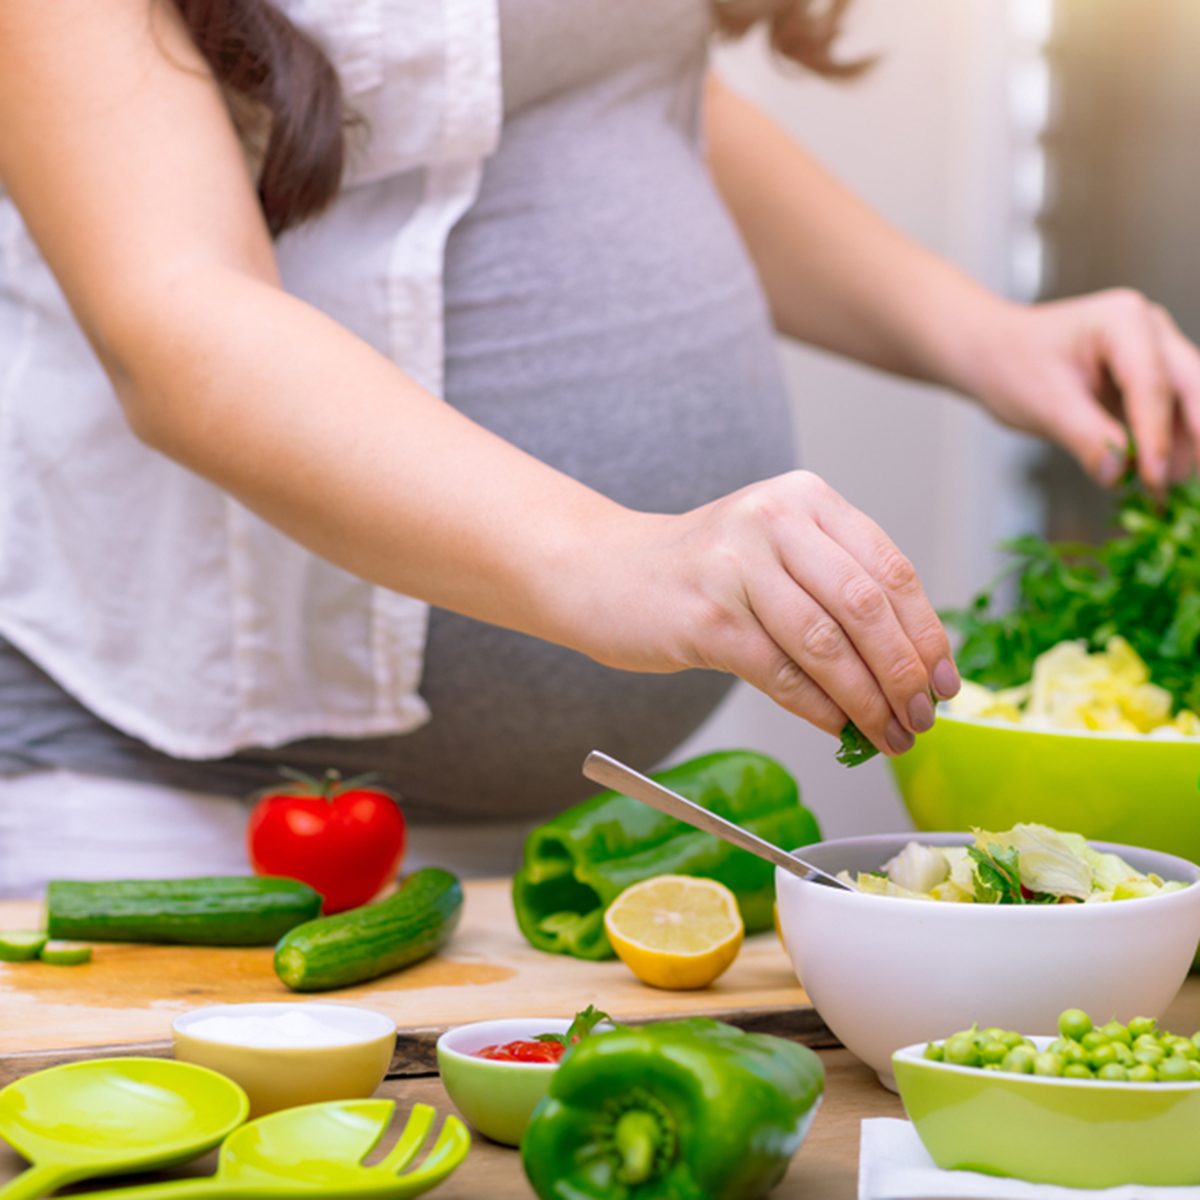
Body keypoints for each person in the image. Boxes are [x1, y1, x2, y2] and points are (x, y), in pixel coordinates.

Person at [0, 0, 1196, 895]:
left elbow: (610, 81)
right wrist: (622, 557)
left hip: (568, 843)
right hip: (180, 818)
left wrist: (980, 334)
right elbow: (175, 316)